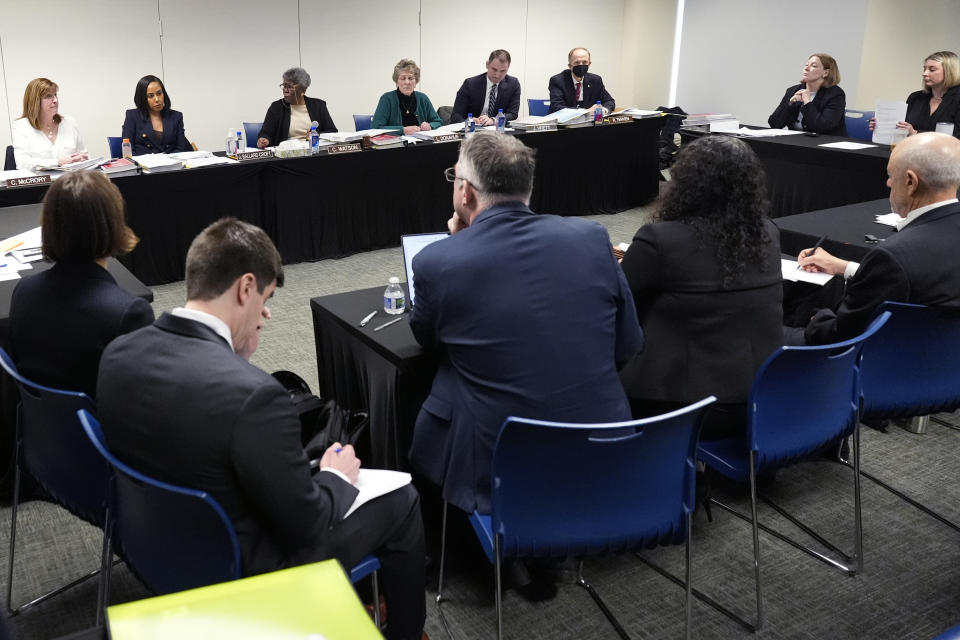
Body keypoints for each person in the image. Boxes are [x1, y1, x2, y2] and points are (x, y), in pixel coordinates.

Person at [96, 218, 426, 640]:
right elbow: (307, 525)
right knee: (403, 499)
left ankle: (358, 602)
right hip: (246, 572)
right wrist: (333, 477)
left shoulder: (118, 353)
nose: (266, 314)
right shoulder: (253, 395)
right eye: (266, 298)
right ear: (245, 288)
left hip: (154, 547)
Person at [408, 131, 643, 515]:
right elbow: (628, 344)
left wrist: (458, 245)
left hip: (503, 471)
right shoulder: (591, 237)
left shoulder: (438, 262)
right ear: (528, 188)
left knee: (448, 381)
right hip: (603, 452)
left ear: (465, 193)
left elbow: (429, 341)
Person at [619, 136, 782, 438]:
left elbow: (620, 308)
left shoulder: (660, 240)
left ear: (686, 184)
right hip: (758, 397)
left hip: (683, 407)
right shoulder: (767, 234)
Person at [795, 132, 960, 344]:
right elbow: (918, 280)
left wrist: (816, 318)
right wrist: (845, 268)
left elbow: (842, 336)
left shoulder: (895, 255)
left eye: (891, 175)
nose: (888, 183)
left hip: (889, 365)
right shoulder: (901, 259)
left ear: (910, 182)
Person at [9, 172, 154, 398]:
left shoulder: (23, 292)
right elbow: (144, 398)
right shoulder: (128, 313)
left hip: (42, 427)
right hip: (102, 429)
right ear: (112, 225)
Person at [870, 51, 960, 139]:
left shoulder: (957, 98)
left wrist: (915, 133)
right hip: (912, 150)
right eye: (924, 69)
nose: (924, 74)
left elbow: (956, 136)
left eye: (932, 70)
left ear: (949, 72)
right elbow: (903, 126)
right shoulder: (916, 97)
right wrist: (882, 126)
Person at [11, 78, 88, 169]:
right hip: (41, 182)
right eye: (48, 96)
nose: (55, 100)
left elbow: (84, 155)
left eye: (55, 95)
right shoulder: (21, 126)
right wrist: (58, 162)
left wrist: (83, 159)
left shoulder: (70, 123)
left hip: (70, 181)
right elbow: (22, 163)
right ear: (34, 101)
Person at [257, 67, 336, 149]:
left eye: (290, 86)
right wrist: (263, 139)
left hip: (314, 152)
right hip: (287, 154)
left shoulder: (318, 105)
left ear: (302, 89)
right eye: (284, 86)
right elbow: (266, 132)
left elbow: (332, 131)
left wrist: (317, 135)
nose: (285, 90)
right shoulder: (276, 107)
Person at [768, 53, 847, 136]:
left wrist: (807, 102)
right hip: (797, 142)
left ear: (826, 73)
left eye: (813, 66)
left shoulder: (836, 95)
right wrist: (790, 104)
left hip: (825, 144)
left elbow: (823, 127)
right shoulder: (792, 91)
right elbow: (774, 124)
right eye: (806, 65)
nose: (806, 68)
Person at [121, 75, 192, 155]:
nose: (157, 99)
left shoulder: (176, 116)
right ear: (142, 98)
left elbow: (181, 148)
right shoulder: (132, 116)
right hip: (144, 165)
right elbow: (128, 152)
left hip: (171, 165)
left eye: (159, 93)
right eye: (151, 96)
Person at [450, 49, 522, 125]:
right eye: (494, 69)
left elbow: (512, 114)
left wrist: (494, 120)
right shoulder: (470, 84)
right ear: (487, 64)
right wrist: (468, 122)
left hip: (498, 132)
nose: (497, 75)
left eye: (503, 71)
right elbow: (456, 115)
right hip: (473, 131)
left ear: (508, 68)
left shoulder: (513, 84)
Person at [372, 59, 442, 135]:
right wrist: (402, 130)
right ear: (397, 82)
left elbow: (438, 122)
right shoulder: (387, 99)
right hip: (396, 145)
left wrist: (430, 126)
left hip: (422, 144)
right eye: (402, 78)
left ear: (416, 82)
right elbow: (376, 128)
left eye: (410, 78)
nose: (407, 82)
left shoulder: (423, 98)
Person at [547, 47, 615, 114]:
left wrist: (604, 110)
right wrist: (585, 112)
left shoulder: (596, 80)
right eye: (577, 63)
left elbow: (609, 101)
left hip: (588, 123)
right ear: (570, 66)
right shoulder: (557, 81)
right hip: (563, 122)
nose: (581, 65)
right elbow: (557, 107)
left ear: (589, 64)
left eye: (585, 62)